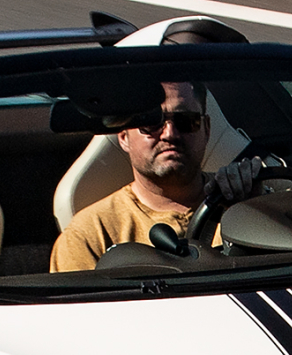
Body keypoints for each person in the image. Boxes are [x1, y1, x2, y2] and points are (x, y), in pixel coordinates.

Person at [50, 81, 259, 271]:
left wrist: (255, 206)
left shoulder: (248, 200)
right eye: (150, 123)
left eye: (186, 120)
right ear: (123, 137)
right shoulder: (89, 235)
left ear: (206, 129)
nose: (170, 134)